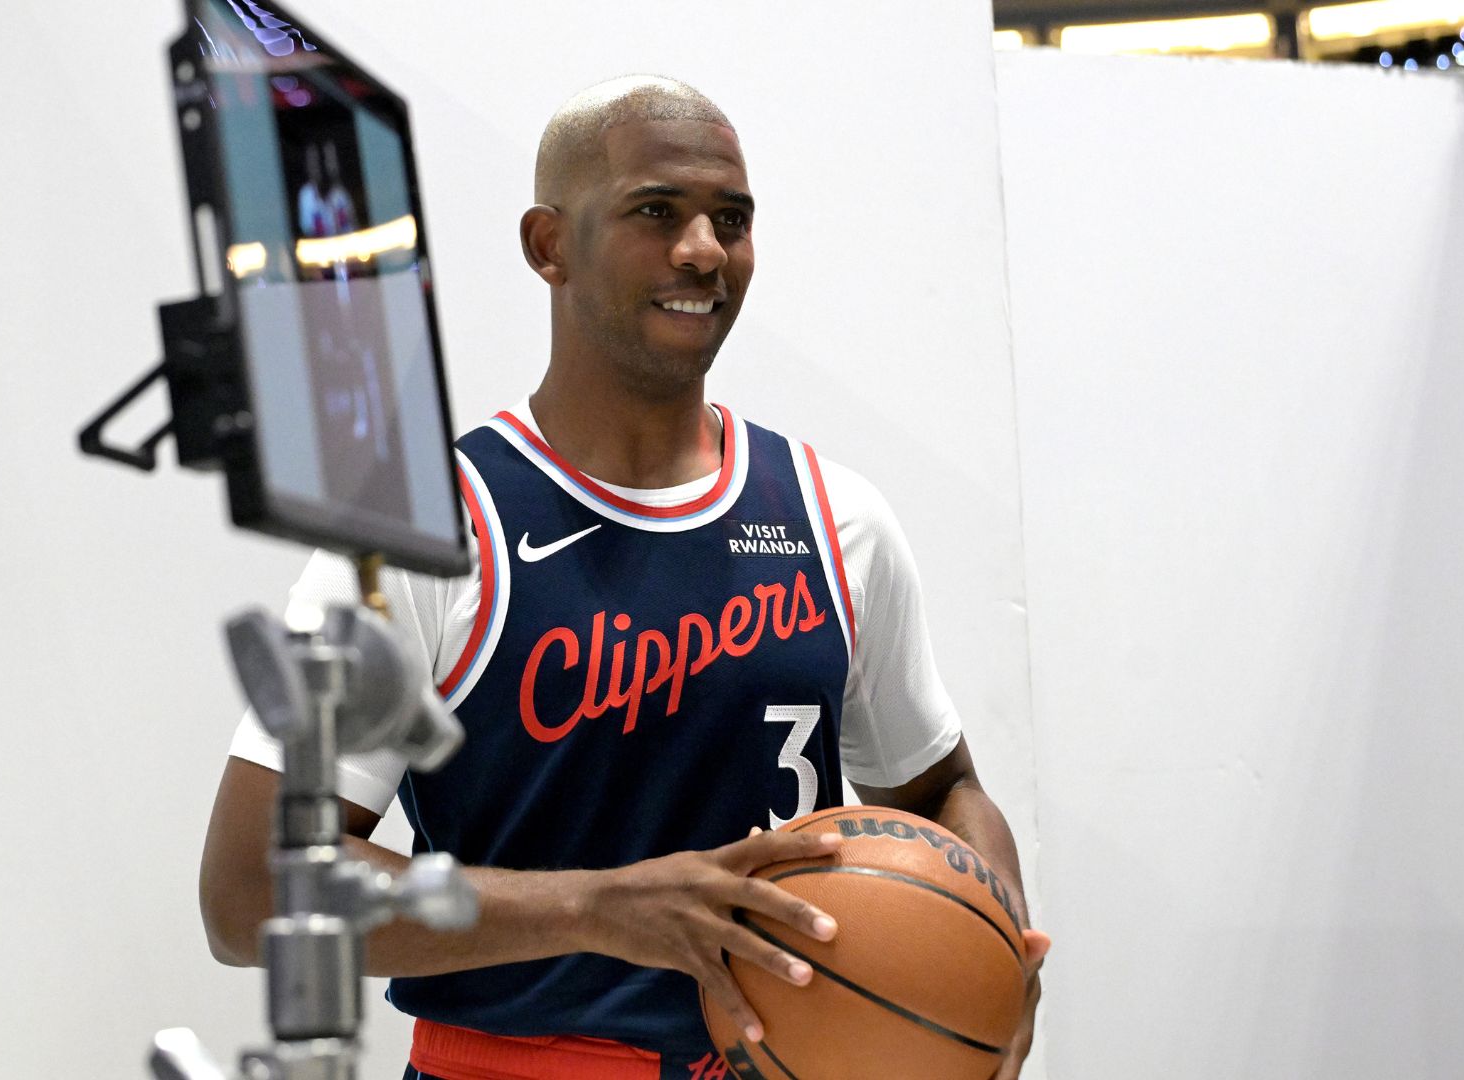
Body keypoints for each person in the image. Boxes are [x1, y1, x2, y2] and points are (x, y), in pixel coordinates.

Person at [200, 75, 1049, 1080]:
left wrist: (990, 930)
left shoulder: (838, 520)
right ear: (548, 244)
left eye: (730, 220)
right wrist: (602, 910)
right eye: (657, 212)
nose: (702, 250)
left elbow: (943, 790)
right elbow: (254, 891)